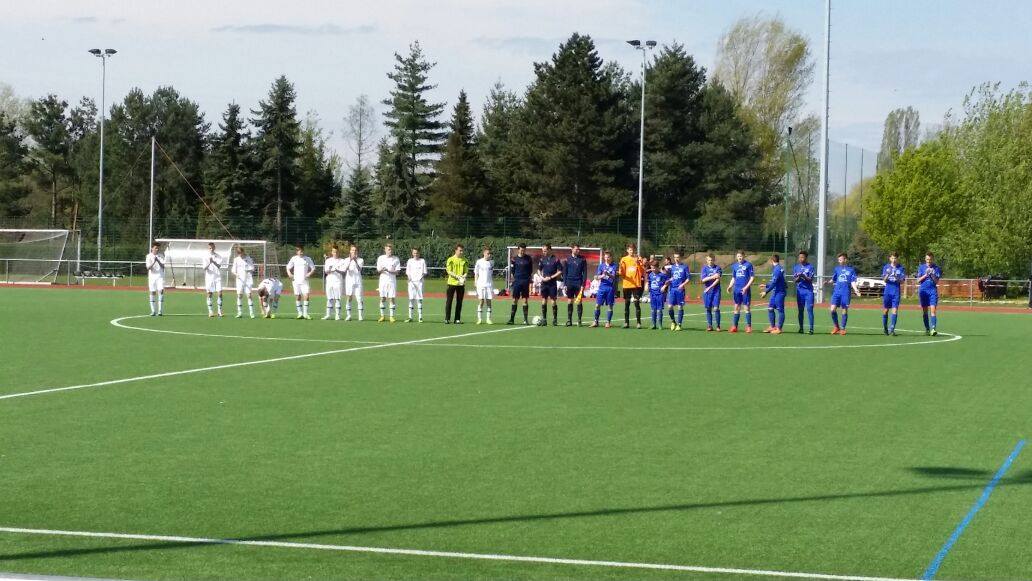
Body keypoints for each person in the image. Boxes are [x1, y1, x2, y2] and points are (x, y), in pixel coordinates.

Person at [828, 252, 861, 335]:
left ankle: (842, 328)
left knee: (844, 310)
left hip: (845, 293)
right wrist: (828, 282)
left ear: (845, 260)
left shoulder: (851, 270)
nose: (839, 261)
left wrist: (856, 291)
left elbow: (853, 281)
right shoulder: (837, 269)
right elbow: (834, 279)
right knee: (832, 310)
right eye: (838, 260)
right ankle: (836, 327)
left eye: (841, 259)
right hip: (836, 292)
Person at [617, 243, 646, 329]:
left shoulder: (638, 259)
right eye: (630, 249)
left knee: (637, 303)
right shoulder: (624, 259)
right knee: (627, 303)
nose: (631, 251)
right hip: (626, 284)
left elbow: (642, 271)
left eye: (632, 249)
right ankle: (626, 322)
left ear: (634, 250)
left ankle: (638, 323)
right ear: (627, 250)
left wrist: (638, 263)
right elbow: (621, 273)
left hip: (636, 284)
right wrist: (620, 270)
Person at [726, 251, 754, 333]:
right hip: (737, 289)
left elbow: (752, 277)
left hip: (745, 290)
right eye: (738, 256)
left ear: (744, 256)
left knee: (746, 308)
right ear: (736, 257)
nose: (739, 258)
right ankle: (735, 326)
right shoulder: (735, 266)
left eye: (741, 256)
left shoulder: (748, 265)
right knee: (736, 307)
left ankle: (749, 327)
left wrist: (746, 287)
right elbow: (733, 278)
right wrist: (730, 286)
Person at [286, 244, 315, 320]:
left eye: (301, 250)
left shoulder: (308, 259)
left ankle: (305, 314)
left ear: (303, 251)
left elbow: (313, 268)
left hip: (304, 281)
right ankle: (300, 313)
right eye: (299, 250)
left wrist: (309, 273)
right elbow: (288, 267)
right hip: (296, 281)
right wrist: (289, 273)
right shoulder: (294, 258)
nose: (300, 252)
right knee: (298, 296)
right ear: (297, 251)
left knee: (306, 296)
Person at [916, 252, 942, 336]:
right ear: (925, 259)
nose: (929, 261)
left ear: (933, 259)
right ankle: (927, 329)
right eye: (927, 259)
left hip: (932, 291)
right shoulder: (921, 267)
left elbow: (936, 281)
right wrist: (926, 274)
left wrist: (932, 275)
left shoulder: (936, 268)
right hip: (923, 291)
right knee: (925, 311)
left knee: (933, 310)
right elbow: (918, 280)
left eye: (930, 259)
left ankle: (933, 329)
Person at [760, 254, 787, 334]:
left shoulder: (777, 269)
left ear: (772, 261)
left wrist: (766, 291)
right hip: (775, 292)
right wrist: (766, 285)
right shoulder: (777, 268)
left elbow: (775, 282)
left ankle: (779, 328)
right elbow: (774, 281)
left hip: (780, 292)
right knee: (770, 308)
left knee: (780, 310)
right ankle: (772, 326)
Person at [562, 244, 588, 326]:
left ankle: (579, 320)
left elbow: (585, 273)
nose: (578, 251)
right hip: (569, 283)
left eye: (578, 249)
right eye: (576, 249)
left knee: (579, 301)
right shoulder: (567, 259)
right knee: (570, 301)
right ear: (572, 249)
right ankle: (569, 320)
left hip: (578, 283)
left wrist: (583, 284)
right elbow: (564, 273)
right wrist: (565, 284)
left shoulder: (582, 259)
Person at [590, 250, 617, 328]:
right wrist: (601, 276)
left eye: (608, 257)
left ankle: (608, 322)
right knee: (597, 305)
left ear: (611, 257)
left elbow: (614, 277)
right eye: (605, 257)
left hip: (610, 288)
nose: (606, 259)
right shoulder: (601, 266)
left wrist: (608, 274)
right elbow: (596, 277)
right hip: (602, 288)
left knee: (610, 306)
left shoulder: (614, 266)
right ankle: (596, 321)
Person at [508, 243, 533, 325]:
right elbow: (512, 271)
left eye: (524, 250)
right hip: (517, 281)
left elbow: (530, 270)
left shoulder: (528, 258)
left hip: (525, 281)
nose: (523, 251)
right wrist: (514, 279)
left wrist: (528, 279)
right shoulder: (514, 259)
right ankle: (511, 319)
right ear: (518, 249)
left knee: (525, 300)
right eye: (521, 250)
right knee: (515, 300)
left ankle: (525, 320)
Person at [881, 252, 906, 335]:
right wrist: (888, 274)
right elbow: (884, 280)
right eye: (892, 258)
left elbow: (902, 281)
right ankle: (885, 328)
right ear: (890, 259)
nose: (894, 260)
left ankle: (892, 328)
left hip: (896, 291)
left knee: (894, 310)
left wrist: (896, 277)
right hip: (888, 290)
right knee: (885, 310)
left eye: (895, 258)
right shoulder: (886, 267)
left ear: (897, 259)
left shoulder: (901, 268)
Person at [538, 243, 562, 326]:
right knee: (544, 300)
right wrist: (541, 277)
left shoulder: (556, 259)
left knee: (553, 301)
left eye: (545, 251)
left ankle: (555, 319)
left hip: (552, 283)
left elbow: (560, 271)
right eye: (543, 251)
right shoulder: (542, 259)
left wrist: (551, 277)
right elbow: (538, 270)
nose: (543, 252)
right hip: (544, 283)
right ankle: (544, 319)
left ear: (549, 250)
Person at [376, 243, 401, 323]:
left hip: (392, 281)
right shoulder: (380, 258)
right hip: (383, 281)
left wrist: (389, 270)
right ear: (385, 250)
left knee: (391, 298)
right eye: (388, 249)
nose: (390, 251)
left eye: (391, 249)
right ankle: (382, 316)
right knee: (382, 298)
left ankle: (391, 316)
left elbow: (397, 272)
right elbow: (378, 270)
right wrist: (383, 269)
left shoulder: (396, 259)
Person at [666, 250, 690, 331]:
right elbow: (671, 277)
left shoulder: (685, 267)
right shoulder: (672, 267)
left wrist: (682, 285)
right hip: (672, 289)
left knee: (680, 307)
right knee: (669, 307)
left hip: (680, 290)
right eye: (675, 257)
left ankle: (679, 324)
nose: (676, 259)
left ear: (681, 258)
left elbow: (688, 279)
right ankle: (673, 322)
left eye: (678, 257)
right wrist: (668, 281)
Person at [793, 251, 816, 334]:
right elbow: (795, 280)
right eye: (799, 257)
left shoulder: (810, 267)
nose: (800, 259)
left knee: (809, 309)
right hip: (800, 291)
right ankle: (801, 328)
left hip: (808, 291)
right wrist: (799, 277)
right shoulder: (796, 267)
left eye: (802, 257)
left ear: (806, 258)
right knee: (800, 310)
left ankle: (811, 329)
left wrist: (804, 276)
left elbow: (810, 279)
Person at [445, 244, 468, 324]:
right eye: (460, 250)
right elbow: (449, 271)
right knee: (449, 301)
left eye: (462, 250)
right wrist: (457, 277)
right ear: (456, 250)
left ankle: (457, 319)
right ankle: (447, 319)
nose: (461, 252)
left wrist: (463, 277)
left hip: (461, 284)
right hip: (451, 283)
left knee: (459, 302)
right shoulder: (450, 259)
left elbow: (466, 272)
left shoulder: (465, 260)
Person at [231, 245, 256, 319]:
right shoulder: (236, 259)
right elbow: (233, 270)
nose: (240, 254)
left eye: (241, 253)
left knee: (249, 295)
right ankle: (239, 313)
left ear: (243, 251)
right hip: (239, 280)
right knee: (239, 295)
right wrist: (236, 274)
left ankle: (251, 313)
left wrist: (248, 269)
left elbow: (253, 268)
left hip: (248, 279)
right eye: (238, 253)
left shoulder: (248, 259)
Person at [699, 253, 722, 332]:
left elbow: (717, 279)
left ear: (714, 260)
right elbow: (703, 280)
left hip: (716, 291)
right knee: (708, 308)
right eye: (709, 260)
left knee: (716, 308)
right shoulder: (704, 269)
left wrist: (709, 286)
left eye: (712, 260)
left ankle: (718, 326)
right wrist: (713, 276)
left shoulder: (718, 268)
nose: (710, 261)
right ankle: (710, 326)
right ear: (706, 260)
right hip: (707, 292)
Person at [341, 244, 365, 322]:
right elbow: (344, 270)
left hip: (358, 281)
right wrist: (350, 260)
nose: (353, 252)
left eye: (355, 250)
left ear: (357, 251)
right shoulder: (346, 260)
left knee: (359, 298)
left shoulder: (360, 260)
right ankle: (349, 315)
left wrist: (354, 260)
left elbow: (359, 269)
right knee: (349, 297)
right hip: (349, 281)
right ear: (350, 251)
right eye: (352, 250)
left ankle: (360, 316)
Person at [202, 242, 225, 318]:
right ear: (208, 248)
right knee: (209, 294)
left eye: (212, 248)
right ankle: (210, 311)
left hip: (217, 276)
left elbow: (219, 266)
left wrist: (213, 262)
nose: (211, 249)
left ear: (214, 248)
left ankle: (219, 311)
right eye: (210, 248)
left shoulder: (218, 256)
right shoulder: (205, 256)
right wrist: (209, 263)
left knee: (220, 293)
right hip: (209, 277)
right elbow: (204, 268)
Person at [405, 247, 427, 323]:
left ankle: (420, 317)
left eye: (417, 253)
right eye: (414, 253)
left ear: (419, 253)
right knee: (411, 299)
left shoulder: (422, 261)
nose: (415, 254)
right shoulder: (409, 261)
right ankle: (410, 317)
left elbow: (424, 272)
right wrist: (409, 278)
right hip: (411, 283)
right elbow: (408, 272)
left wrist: (421, 278)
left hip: (419, 283)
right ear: (412, 253)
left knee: (419, 299)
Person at [323, 245, 345, 320]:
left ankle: (337, 315)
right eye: (333, 252)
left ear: (338, 252)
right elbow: (326, 271)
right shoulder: (328, 260)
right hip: (329, 281)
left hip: (338, 281)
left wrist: (336, 270)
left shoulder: (342, 261)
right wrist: (331, 270)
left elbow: (343, 271)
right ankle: (328, 314)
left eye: (336, 252)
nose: (335, 253)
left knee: (337, 298)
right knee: (329, 298)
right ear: (332, 252)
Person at [473, 246, 494, 325]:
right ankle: (479, 319)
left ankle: (488, 319)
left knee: (489, 301)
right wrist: (475, 281)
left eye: (490, 254)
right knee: (481, 301)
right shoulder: (479, 262)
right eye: (488, 253)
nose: (489, 255)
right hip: (480, 284)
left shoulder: (492, 262)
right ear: (484, 253)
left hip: (489, 284)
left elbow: (491, 273)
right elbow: (476, 273)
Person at [646, 260, 669, 330]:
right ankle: (653, 324)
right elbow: (649, 282)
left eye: (654, 268)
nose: (652, 269)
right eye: (651, 268)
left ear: (657, 267)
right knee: (653, 309)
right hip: (652, 294)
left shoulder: (662, 275)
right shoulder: (650, 275)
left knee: (659, 310)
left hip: (660, 294)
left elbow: (668, 281)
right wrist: (647, 286)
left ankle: (660, 325)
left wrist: (664, 287)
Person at [145, 243, 165, 316]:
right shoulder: (148, 256)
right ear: (152, 248)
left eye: (158, 248)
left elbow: (163, 266)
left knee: (161, 290)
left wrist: (158, 261)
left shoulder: (161, 256)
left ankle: (160, 310)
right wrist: (154, 262)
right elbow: (148, 267)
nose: (157, 249)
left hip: (160, 276)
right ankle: (153, 311)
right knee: (152, 292)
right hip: (152, 277)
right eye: (156, 248)